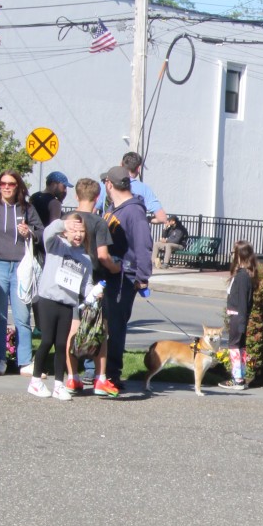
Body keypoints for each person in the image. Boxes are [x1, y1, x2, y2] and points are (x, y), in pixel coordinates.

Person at [0, 170, 43, 375]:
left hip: (21, 267)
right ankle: (0, 360)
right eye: (2, 183)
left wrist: (29, 232)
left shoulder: (27, 208)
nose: (6, 187)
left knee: (23, 316)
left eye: (11, 184)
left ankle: (24, 362)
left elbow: (42, 232)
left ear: (18, 186)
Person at [29, 215, 99, 400]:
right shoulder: (56, 245)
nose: (78, 235)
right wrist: (63, 224)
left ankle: (59, 384)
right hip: (48, 299)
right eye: (74, 230)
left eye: (82, 231)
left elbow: (86, 285)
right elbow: (48, 232)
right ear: (65, 232)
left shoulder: (85, 258)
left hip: (67, 304)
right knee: (47, 340)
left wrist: (94, 292)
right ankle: (35, 381)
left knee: (62, 345)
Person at [99, 165, 152, 397]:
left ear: (109, 184)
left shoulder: (134, 211)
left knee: (115, 327)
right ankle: (100, 371)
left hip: (124, 277)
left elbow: (143, 244)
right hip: (108, 274)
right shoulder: (114, 208)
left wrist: (142, 276)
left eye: (105, 183)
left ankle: (112, 375)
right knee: (103, 325)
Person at [71, 177, 115, 391]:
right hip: (95, 280)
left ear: (76, 196)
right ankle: (100, 377)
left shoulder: (67, 219)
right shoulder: (99, 223)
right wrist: (116, 268)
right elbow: (103, 255)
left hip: (70, 279)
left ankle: (72, 376)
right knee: (100, 328)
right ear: (97, 198)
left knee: (72, 328)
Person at [219, 242, 257, 393]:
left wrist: (241, 322)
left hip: (237, 316)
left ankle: (237, 379)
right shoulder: (245, 274)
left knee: (234, 346)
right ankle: (241, 377)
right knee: (240, 347)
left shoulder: (242, 277)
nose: (232, 255)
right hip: (239, 316)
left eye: (233, 252)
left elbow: (242, 301)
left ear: (240, 255)